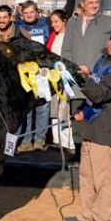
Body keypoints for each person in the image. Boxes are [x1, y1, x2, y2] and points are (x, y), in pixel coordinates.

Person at [63, 22, 111, 221]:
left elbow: (99, 94)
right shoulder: (104, 59)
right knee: (86, 173)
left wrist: (81, 77)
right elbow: (94, 95)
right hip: (93, 123)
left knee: (103, 177)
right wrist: (83, 112)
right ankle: (87, 214)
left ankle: (105, 220)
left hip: (108, 126)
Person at [60, 0, 111, 148]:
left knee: (95, 125)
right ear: (83, 4)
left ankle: (93, 161)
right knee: (77, 126)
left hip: (97, 83)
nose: (94, 5)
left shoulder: (109, 23)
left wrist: (92, 69)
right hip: (76, 83)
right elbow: (66, 49)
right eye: (90, 2)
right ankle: (79, 161)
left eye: (97, 2)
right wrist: (71, 70)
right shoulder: (72, 23)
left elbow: (109, 51)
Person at [16, 0, 52, 152]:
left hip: (42, 73)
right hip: (25, 74)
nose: (29, 15)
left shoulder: (45, 24)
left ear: (37, 12)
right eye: (26, 13)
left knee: (42, 107)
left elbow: (65, 14)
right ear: (21, 14)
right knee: (27, 109)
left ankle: (39, 140)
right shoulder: (18, 26)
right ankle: (25, 140)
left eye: (32, 12)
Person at [46, 9, 75, 153]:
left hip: (65, 78)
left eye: (56, 21)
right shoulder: (53, 37)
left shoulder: (70, 37)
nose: (53, 25)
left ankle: (68, 141)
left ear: (64, 21)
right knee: (54, 108)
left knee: (65, 108)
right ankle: (56, 139)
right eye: (52, 22)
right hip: (53, 78)